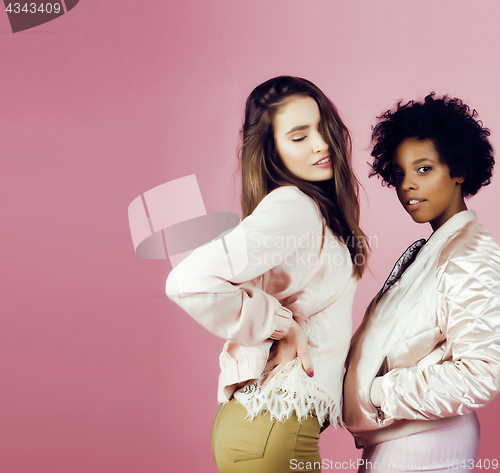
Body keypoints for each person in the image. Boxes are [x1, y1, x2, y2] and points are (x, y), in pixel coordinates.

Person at [166, 76, 368, 472]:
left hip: (267, 426)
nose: (321, 144)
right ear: (272, 150)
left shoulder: (313, 208)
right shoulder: (293, 207)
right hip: (273, 428)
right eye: (298, 136)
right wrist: (282, 324)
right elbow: (185, 281)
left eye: (323, 127)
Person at [343, 93, 500, 472]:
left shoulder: (470, 254)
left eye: (424, 169)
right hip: (405, 438)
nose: (408, 185)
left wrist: (379, 392)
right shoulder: (439, 247)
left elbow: (481, 373)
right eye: (399, 174)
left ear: (458, 170)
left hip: (426, 443)